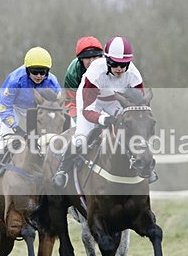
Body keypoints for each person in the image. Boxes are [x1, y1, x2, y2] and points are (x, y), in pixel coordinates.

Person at [52, 36, 146, 188]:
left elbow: (139, 107)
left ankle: (146, 167)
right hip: (90, 102)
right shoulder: (95, 73)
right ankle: (62, 170)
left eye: (124, 65)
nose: (120, 69)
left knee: (133, 131)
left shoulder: (134, 76)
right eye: (115, 64)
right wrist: (104, 119)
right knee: (81, 139)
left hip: (115, 100)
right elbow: (88, 110)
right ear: (107, 61)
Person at [0, 47, 62, 191]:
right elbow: (3, 106)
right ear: (27, 70)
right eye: (34, 72)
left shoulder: (53, 82)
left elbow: (58, 108)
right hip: (14, 108)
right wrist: (15, 128)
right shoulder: (15, 79)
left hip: (39, 110)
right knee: (2, 141)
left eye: (43, 72)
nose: (39, 76)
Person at [63, 36, 104, 123]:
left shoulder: (109, 68)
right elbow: (71, 103)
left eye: (95, 57)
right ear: (81, 59)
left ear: (101, 56)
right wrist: (78, 122)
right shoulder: (73, 72)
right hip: (81, 108)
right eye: (88, 58)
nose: (92, 61)